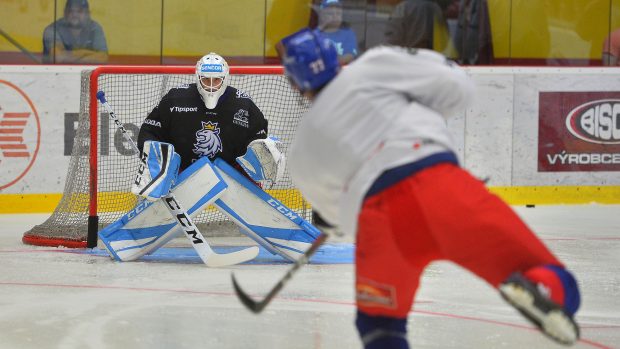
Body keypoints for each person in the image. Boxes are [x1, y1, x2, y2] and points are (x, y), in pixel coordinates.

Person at [277, 28, 581, 347]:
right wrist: (422, 114)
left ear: (295, 82)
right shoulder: (374, 66)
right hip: (439, 185)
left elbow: (339, 217)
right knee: (552, 276)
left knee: (378, 323)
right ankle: (542, 289)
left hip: (379, 223)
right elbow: (458, 87)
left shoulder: (302, 150)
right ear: (334, 57)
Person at [137, 52, 268, 174]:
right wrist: (155, 156)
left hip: (230, 178)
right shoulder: (175, 99)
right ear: (198, 78)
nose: (211, 86)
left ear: (225, 79)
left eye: (216, 80)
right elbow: (150, 131)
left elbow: (258, 141)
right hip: (180, 175)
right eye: (206, 80)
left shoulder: (243, 105)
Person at [42, 0, 108, 64]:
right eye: (70, 11)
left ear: (87, 14)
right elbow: (58, 57)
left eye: (80, 11)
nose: (74, 15)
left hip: (87, 73)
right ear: (64, 13)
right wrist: (86, 53)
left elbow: (103, 58)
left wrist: (69, 56)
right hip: (57, 74)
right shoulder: (52, 29)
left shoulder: (95, 28)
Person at [385, 0, 455, 56]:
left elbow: (392, 39)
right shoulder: (435, 8)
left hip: (407, 57)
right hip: (430, 58)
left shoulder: (402, 7)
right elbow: (444, 42)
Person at [315, 0, 359, 64]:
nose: (335, 16)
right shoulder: (314, 35)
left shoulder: (348, 33)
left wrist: (327, 61)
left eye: (338, 13)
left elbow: (350, 56)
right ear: (322, 16)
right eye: (330, 13)